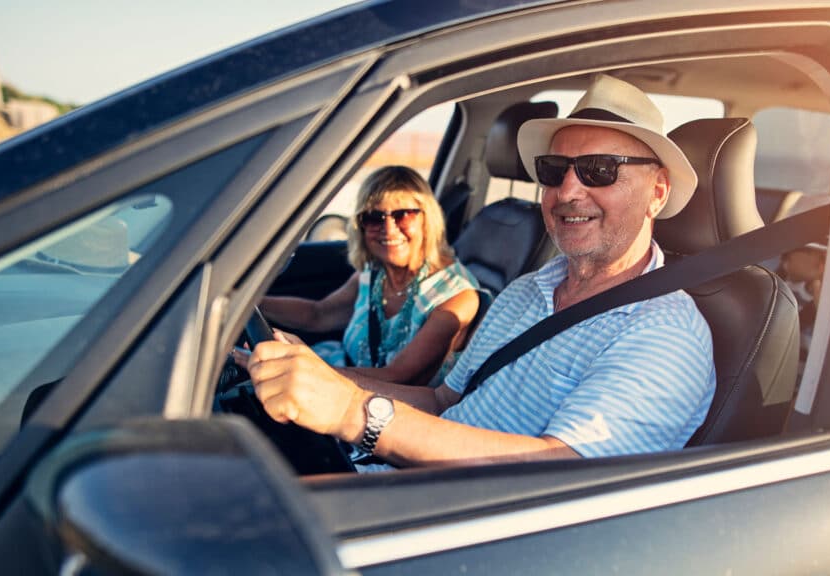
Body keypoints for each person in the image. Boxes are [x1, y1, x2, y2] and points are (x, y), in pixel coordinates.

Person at [245, 74, 716, 469]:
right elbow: (442, 403)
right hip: (389, 475)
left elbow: (559, 472)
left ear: (657, 192)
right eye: (554, 169)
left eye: (600, 169)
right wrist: (315, 375)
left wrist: (353, 413)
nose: (568, 190)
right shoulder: (527, 290)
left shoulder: (664, 331)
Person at [238, 166, 481, 387]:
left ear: (427, 219)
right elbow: (319, 314)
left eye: (402, 215)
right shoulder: (374, 274)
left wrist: (302, 368)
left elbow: (399, 377)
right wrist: (248, 304)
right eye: (374, 217)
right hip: (339, 378)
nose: (388, 228)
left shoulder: (457, 297)